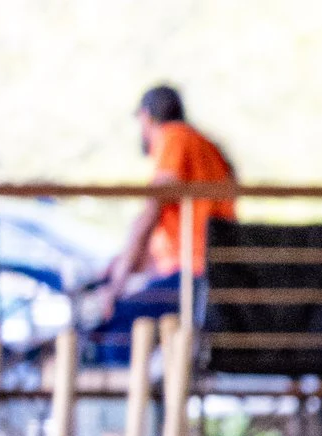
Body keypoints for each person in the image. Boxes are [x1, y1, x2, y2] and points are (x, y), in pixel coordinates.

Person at [95, 85, 235, 318]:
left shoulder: (174, 136)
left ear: (147, 117)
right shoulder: (206, 146)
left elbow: (151, 212)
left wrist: (117, 283)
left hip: (193, 273)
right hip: (214, 268)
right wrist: (124, 261)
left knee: (115, 320)